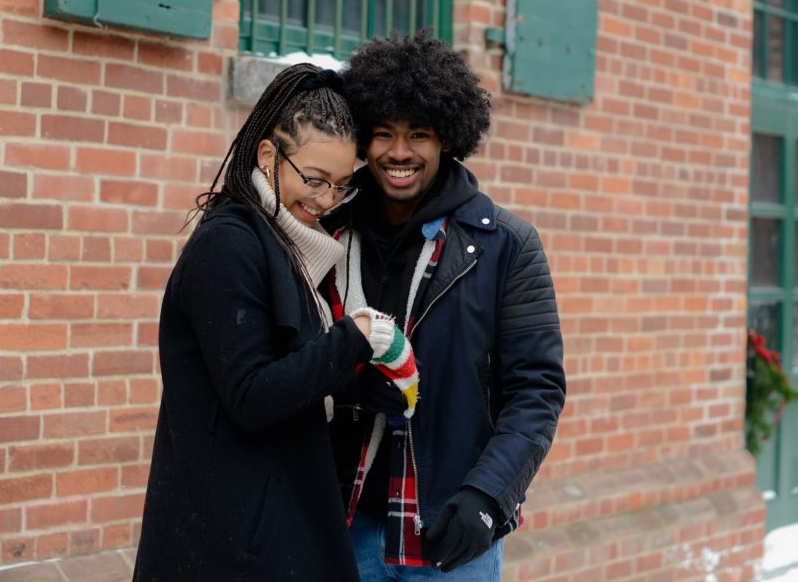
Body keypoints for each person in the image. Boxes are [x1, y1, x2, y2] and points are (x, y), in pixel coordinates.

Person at [133, 63, 416, 581]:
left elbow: (287, 369)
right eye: (314, 179)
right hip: (225, 546)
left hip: (264, 531)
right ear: (268, 155)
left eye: (342, 186)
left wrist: (355, 387)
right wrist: (350, 341)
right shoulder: (229, 245)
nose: (327, 200)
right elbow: (252, 395)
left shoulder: (283, 245)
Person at [326, 33, 567, 579]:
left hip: (449, 534)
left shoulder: (507, 245)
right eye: (383, 133)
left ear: (448, 139)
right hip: (339, 523)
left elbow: (536, 391)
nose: (399, 152)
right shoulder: (328, 234)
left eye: (419, 134)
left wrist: (487, 498)